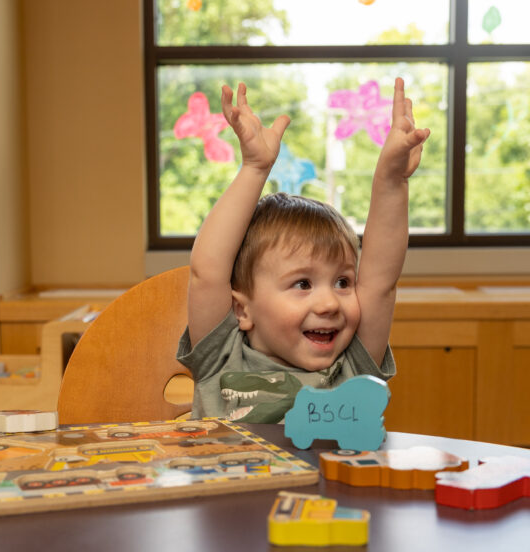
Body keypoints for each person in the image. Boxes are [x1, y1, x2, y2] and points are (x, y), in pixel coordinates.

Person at [177, 77, 430, 423]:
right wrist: (255, 169)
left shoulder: (353, 366)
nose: (329, 304)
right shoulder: (221, 357)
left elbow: (380, 280)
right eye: (303, 284)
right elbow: (207, 270)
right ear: (241, 309)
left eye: (343, 282)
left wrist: (392, 180)